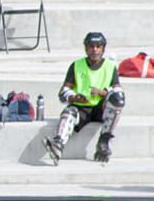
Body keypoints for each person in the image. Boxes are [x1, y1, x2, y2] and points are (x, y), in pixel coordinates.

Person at [45, 31, 126, 164]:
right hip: (81, 108)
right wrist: (74, 97)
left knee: (118, 100)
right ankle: (58, 144)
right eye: (91, 46)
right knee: (68, 111)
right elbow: (63, 91)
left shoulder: (110, 67)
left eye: (98, 46)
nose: (95, 50)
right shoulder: (76, 65)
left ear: (103, 48)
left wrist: (102, 92)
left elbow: (118, 90)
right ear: (86, 48)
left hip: (101, 108)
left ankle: (104, 142)